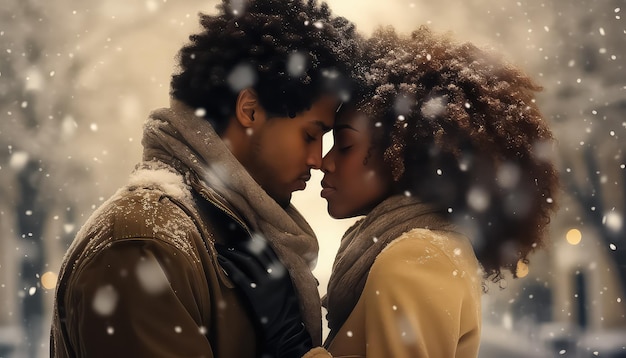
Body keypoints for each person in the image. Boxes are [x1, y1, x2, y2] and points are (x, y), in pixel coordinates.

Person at [227, 26, 560, 358]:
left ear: (406, 157)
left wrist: (289, 343)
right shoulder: (427, 249)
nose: (324, 161)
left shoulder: (417, 258)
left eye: (344, 145)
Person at [49, 0, 359, 356]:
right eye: (310, 135)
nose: (318, 160)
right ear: (250, 111)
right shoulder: (144, 245)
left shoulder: (225, 230)